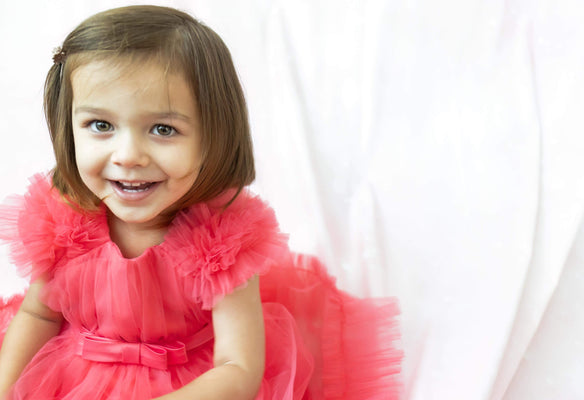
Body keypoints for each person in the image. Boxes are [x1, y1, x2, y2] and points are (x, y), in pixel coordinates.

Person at [0, 5, 402, 399]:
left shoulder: (219, 240)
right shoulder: (66, 220)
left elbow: (238, 367)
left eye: (163, 128)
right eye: (101, 125)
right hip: (74, 375)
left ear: (213, 135)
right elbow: (39, 314)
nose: (128, 155)